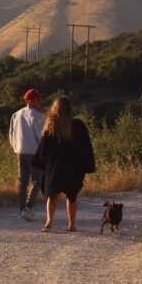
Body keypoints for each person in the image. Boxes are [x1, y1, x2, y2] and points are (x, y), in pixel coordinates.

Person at [31, 95, 96, 232]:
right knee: (72, 196)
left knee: (52, 196)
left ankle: (49, 222)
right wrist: (87, 164)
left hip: (55, 166)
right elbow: (86, 146)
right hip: (73, 166)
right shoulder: (78, 125)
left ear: (55, 108)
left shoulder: (50, 124)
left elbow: (44, 149)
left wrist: (42, 163)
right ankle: (71, 225)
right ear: (70, 109)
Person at [9, 88, 45, 220]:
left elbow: (11, 134)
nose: (41, 101)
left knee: (22, 182)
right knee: (36, 182)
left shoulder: (16, 114)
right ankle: (28, 208)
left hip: (20, 152)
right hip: (35, 153)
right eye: (39, 99)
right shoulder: (39, 117)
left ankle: (21, 209)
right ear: (32, 100)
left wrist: (16, 148)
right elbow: (41, 138)